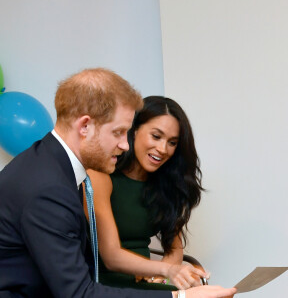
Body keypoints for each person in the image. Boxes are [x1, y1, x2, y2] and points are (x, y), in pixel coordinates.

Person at [0, 68, 236, 298]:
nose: (125, 145)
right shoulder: (49, 188)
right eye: (118, 133)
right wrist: (182, 297)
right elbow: (78, 293)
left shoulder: (47, 163)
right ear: (84, 126)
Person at [85, 97, 210, 291]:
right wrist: (167, 271)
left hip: (146, 284)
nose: (162, 149)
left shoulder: (166, 185)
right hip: (106, 286)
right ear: (134, 130)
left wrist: (164, 277)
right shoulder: (101, 176)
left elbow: (175, 249)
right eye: (156, 136)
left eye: (172, 142)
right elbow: (111, 257)